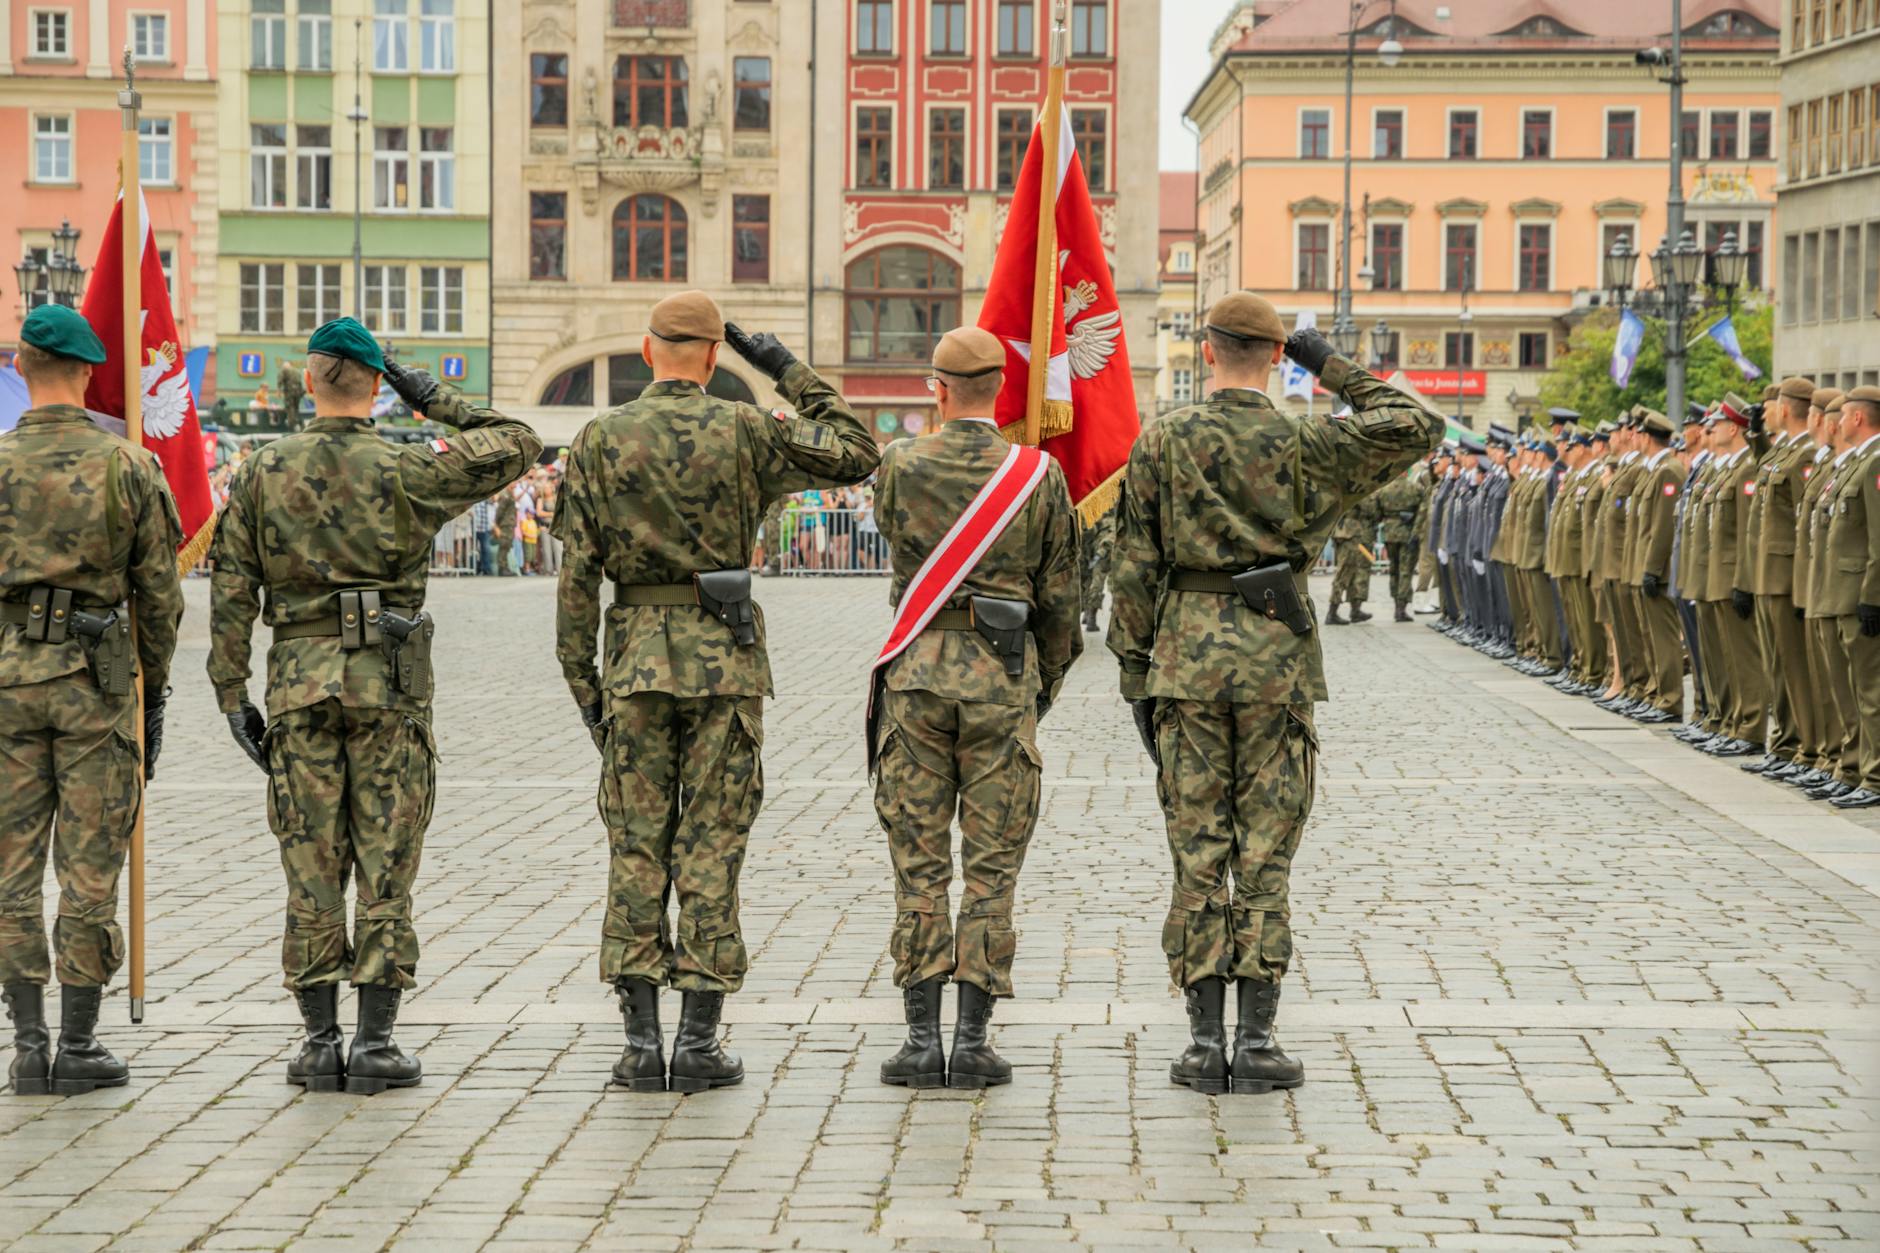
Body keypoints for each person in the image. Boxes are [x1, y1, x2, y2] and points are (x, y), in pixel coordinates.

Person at [1107, 293, 1442, 1096]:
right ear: (1275, 354)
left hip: (1185, 662)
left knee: (1197, 850)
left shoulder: (1165, 440)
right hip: (1276, 662)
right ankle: (1255, 1039)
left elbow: (1133, 562)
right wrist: (1326, 362)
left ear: (1207, 349)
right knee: (1265, 852)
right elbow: (1416, 423)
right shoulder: (1307, 439)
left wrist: (1133, 669)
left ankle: (1200, 1042)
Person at [553, 292, 880, 1093]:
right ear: (710, 357)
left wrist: (586, 687)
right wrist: (782, 368)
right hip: (724, 665)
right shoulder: (744, 429)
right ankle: (698, 1043)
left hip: (633, 666)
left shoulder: (600, 438)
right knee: (712, 842)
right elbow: (857, 448)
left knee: (636, 844)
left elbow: (574, 582)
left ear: (645, 347)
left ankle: (639, 1045)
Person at [208, 317, 540, 1095]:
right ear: (374, 385)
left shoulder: (262, 471)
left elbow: (230, 588)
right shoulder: (408, 466)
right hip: (387, 686)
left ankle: (320, 1042)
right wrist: (424, 391)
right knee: (387, 863)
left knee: (311, 862)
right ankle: (377, 1041)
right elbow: (517, 439)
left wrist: (231, 693)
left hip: (296, 685)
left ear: (307, 378)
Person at [869, 327, 1081, 1090]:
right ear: (1003, 389)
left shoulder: (900, 464)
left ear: (937, 388)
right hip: (1002, 678)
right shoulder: (1038, 475)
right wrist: (1036, 687)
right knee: (992, 868)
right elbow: (1063, 601)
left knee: (918, 862)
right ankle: (974, 1037)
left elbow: (895, 543)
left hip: (918, 679)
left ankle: (921, 1039)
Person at [1, 305, 184, 1097]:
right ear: (85, 373)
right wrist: (155, 689)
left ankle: (28, 1042)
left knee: (9, 868)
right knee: (88, 864)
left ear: (19, 366)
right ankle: (78, 1043)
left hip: (6, 681)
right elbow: (161, 596)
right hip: (96, 682)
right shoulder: (128, 467)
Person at [1740, 380, 1820, 781]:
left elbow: (1805, 520)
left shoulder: (1804, 453)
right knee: (1777, 665)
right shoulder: (1784, 451)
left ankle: (1807, 748)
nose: (1765, 411)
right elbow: (1764, 468)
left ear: (1786, 409)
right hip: (1768, 572)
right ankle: (1787, 742)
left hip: (1786, 573)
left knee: (1794, 667)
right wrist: (1755, 436)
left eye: (1769, 407)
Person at [1817, 386, 1880, 808]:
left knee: (1871, 691)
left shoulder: (1874, 464)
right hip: (1839, 591)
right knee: (1851, 690)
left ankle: (1874, 777)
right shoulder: (1854, 462)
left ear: (1858, 418)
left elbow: (1878, 537)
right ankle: (1855, 766)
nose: (1835, 422)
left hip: (1859, 592)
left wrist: (1872, 595)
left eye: (1842, 415)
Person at [1372, 466, 1424, 622]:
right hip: (1407, 533)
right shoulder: (1415, 488)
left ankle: (1396, 603)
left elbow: (1377, 513)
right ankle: (1401, 607)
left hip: (1389, 533)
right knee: (1405, 571)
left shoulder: (1384, 490)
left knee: (1394, 570)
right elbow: (1422, 511)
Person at [1326, 491, 1379, 625]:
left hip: (1343, 530)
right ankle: (1332, 612)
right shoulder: (1358, 487)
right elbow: (1369, 508)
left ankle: (1353, 611)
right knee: (1344, 572)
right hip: (1349, 532)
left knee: (1352, 572)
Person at [1080, 505, 1117, 632]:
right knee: (1097, 584)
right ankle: (1090, 616)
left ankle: (1089, 616)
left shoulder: (1098, 514)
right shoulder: (1111, 518)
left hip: (1100, 551)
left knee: (1094, 584)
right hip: (1104, 551)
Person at [492, 486, 517, 576]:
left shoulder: (510, 494)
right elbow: (500, 510)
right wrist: (496, 524)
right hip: (505, 524)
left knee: (507, 546)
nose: (516, 483)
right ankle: (502, 568)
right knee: (504, 545)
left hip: (509, 524)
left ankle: (505, 567)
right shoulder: (506, 495)